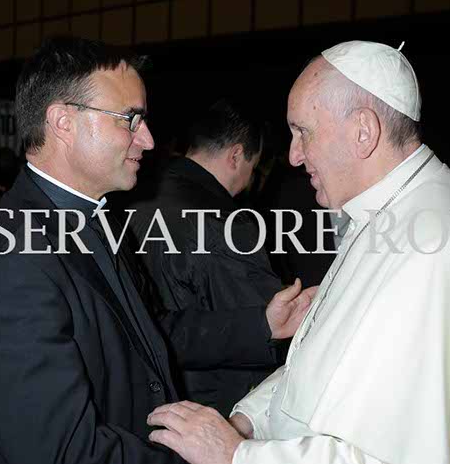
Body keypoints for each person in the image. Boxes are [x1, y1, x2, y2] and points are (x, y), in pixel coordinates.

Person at [146, 41, 450, 464]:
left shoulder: (435, 249)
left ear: (363, 131)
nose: (293, 156)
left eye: (303, 132)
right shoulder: (386, 212)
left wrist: (235, 455)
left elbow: (385, 456)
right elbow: (319, 370)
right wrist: (249, 420)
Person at [0, 37, 316, 464]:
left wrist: (261, 324)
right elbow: (62, 453)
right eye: (130, 119)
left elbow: (147, 334)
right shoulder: (13, 264)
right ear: (63, 122)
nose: (149, 139)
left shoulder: (91, 219)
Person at [129, 100, 313, 416]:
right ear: (236, 156)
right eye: (253, 166)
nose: (250, 179)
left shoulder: (133, 200)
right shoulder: (226, 225)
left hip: (150, 398)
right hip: (213, 405)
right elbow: (266, 325)